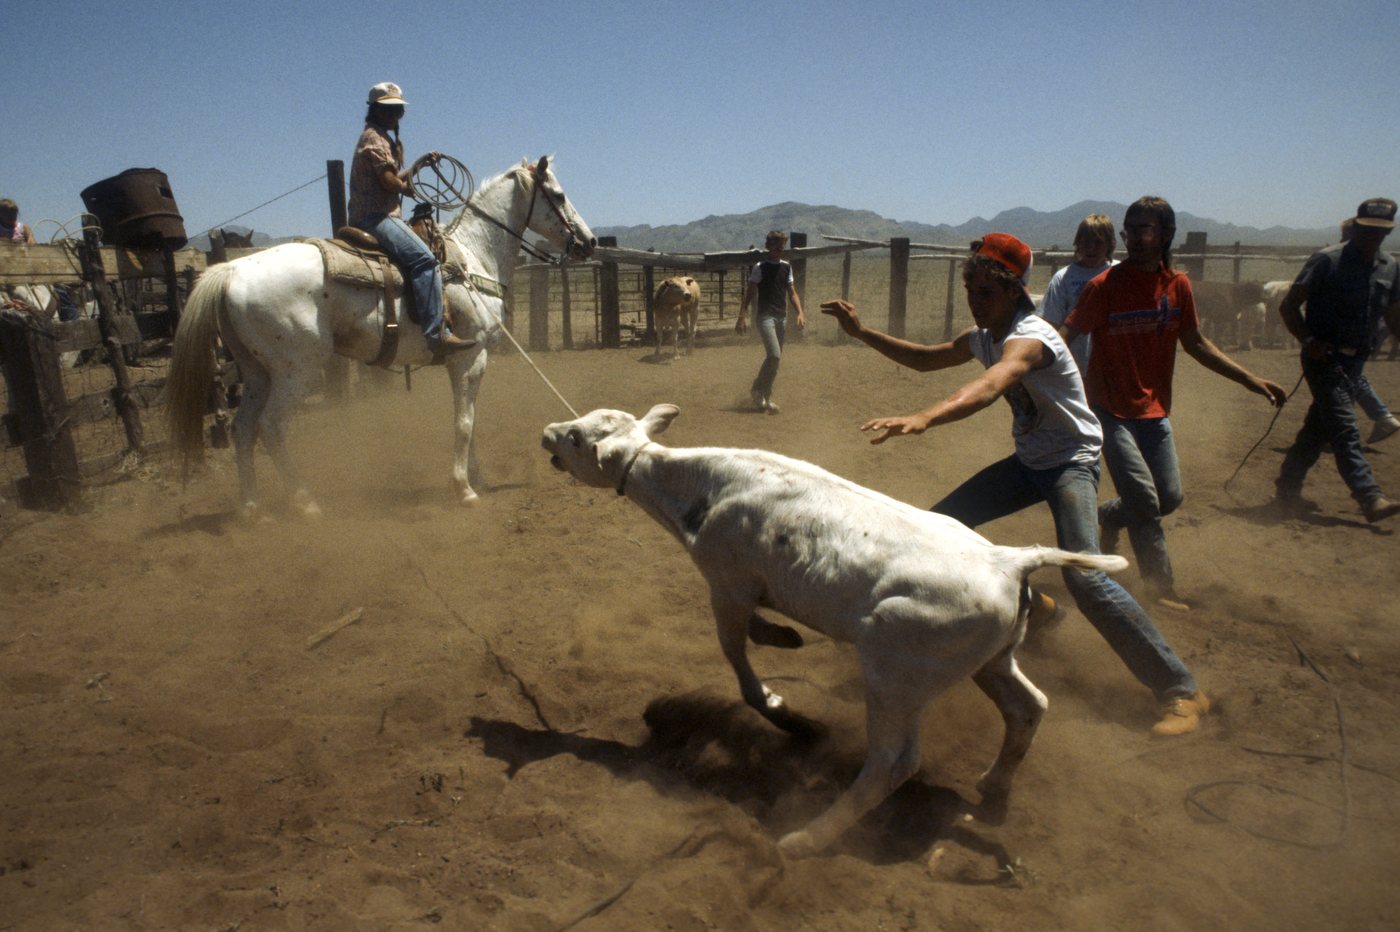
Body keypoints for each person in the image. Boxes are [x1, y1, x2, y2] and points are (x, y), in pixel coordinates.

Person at [821, 233, 1209, 736]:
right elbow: (923, 357)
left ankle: (1182, 689)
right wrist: (862, 332)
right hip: (1031, 462)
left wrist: (926, 417)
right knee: (939, 529)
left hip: (1071, 462)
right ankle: (1035, 610)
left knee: (1085, 577)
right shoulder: (982, 337)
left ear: (1014, 292)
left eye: (986, 292)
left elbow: (989, 386)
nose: (975, 302)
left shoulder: (1031, 338)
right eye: (971, 290)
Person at [1060, 197, 1286, 609]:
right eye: (1130, 229)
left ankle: (1111, 515)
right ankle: (1160, 587)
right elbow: (1065, 335)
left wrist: (1250, 379)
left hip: (1154, 409)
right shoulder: (1103, 287)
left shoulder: (1177, 287)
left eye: (1145, 229)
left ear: (1166, 235)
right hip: (1108, 409)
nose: (1134, 238)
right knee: (1146, 500)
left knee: (1169, 497)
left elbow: (1196, 343)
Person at [1273, 198, 1400, 523]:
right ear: (1356, 227)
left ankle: (1286, 491)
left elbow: (1393, 316)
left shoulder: (1390, 267)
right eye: (1368, 230)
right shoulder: (1327, 261)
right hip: (1323, 360)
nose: (1373, 237)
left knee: (1317, 430)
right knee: (1345, 428)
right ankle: (1369, 497)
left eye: (1381, 232)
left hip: (1355, 363)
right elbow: (1289, 307)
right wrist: (1310, 340)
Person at [347, 82, 473, 354]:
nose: (395, 116)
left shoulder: (378, 137)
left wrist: (420, 163)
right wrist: (409, 189)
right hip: (375, 218)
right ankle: (436, 334)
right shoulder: (375, 139)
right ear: (376, 111)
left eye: (398, 112)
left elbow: (393, 176)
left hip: (374, 215)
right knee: (425, 259)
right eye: (390, 111)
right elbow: (389, 182)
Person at [1335, 219, 1400, 443]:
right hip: (1364, 334)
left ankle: (1381, 417)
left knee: (1346, 378)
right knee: (1347, 378)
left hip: (1350, 334)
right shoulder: (1373, 263)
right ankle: (1339, 428)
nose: (1341, 242)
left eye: (1344, 237)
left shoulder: (1357, 264)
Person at [1035, 213, 1116, 376]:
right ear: (1077, 244)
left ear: (1109, 244)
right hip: (1075, 368)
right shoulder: (1064, 278)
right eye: (1085, 241)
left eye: (1098, 242)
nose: (1091, 247)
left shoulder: (1120, 274)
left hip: (1114, 368)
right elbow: (1051, 325)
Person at [737, 230, 805, 413]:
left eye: (782, 244)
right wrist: (741, 316)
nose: (780, 247)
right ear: (768, 246)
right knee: (774, 355)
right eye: (777, 243)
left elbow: (792, 293)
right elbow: (749, 293)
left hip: (781, 317)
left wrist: (800, 312)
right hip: (765, 317)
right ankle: (757, 388)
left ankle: (766, 397)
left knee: (776, 360)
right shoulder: (760, 267)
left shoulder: (786, 267)